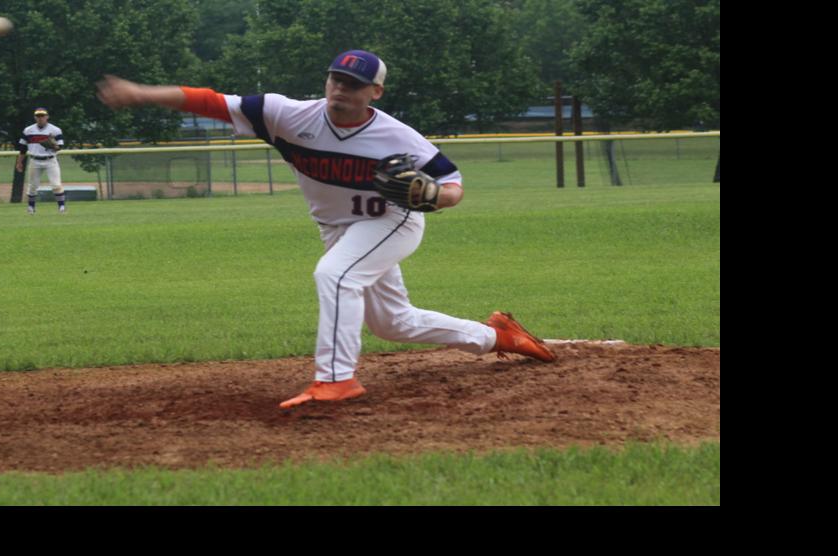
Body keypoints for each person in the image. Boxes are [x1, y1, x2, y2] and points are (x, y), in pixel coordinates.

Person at [95, 50, 556, 410]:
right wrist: (139, 92)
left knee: (335, 276)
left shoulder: (399, 137)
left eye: (355, 84)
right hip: (339, 229)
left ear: (375, 92)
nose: (342, 90)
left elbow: (453, 184)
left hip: (389, 221)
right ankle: (499, 337)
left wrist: (436, 196)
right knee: (392, 323)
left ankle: (336, 380)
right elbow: (209, 101)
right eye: (337, 79)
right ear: (326, 80)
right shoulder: (285, 114)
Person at [16, 107, 66, 214]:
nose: (40, 118)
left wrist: (53, 145)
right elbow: (23, 148)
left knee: (56, 185)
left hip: (50, 160)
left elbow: (60, 147)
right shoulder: (28, 130)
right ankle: (31, 208)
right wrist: (19, 162)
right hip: (35, 160)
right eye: (38, 116)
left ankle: (61, 207)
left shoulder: (55, 130)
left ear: (47, 117)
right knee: (32, 186)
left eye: (42, 116)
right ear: (35, 117)